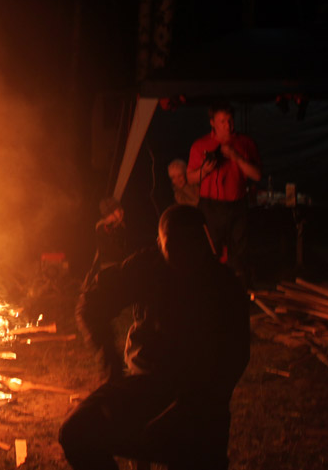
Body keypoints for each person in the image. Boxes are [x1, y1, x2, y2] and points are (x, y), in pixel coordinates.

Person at [59, 205, 250, 470]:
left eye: (188, 244)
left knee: (196, 452)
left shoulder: (223, 285)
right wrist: (111, 365)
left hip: (201, 401)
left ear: (202, 242)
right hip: (148, 387)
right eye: (172, 246)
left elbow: (235, 356)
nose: (182, 256)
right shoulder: (150, 266)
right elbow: (91, 303)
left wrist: (189, 403)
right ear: (160, 242)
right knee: (76, 432)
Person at [187, 102, 260, 287]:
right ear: (212, 123)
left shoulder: (245, 143)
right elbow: (190, 178)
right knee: (210, 250)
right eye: (222, 121)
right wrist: (205, 170)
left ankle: (239, 293)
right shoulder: (201, 145)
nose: (227, 125)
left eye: (229, 120)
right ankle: (209, 293)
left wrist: (236, 157)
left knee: (240, 252)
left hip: (237, 204)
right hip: (211, 206)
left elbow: (257, 175)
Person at [91, 196, 127, 276]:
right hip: (110, 269)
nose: (122, 212)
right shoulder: (102, 228)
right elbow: (107, 251)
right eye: (118, 210)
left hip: (120, 267)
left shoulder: (119, 227)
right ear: (111, 213)